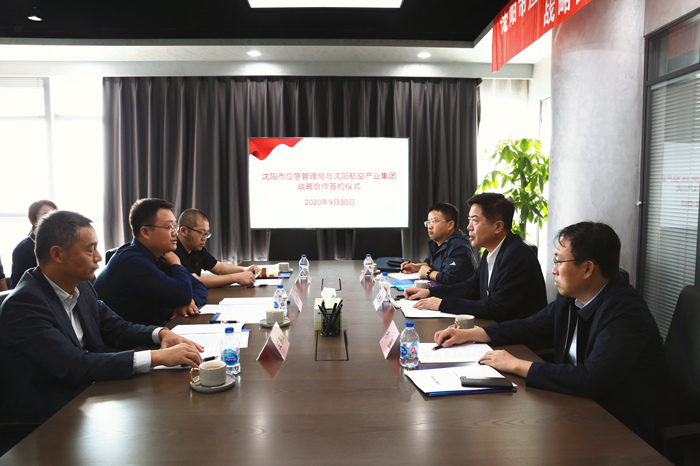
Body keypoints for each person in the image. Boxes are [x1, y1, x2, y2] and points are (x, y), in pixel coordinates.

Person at [433, 222, 675, 448]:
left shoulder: (625, 312)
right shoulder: (571, 298)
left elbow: (592, 378)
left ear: (588, 268)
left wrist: (515, 364)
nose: (553, 270)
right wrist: (473, 334)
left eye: (559, 262)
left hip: (623, 427)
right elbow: (530, 325)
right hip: (577, 407)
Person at [0, 210, 204, 427]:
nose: (98, 257)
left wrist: (161, 334)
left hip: (89, 396)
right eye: (90, 250)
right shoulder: (24, 304)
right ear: (57, 254)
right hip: (46, 422)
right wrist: (157, 357)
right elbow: (74, 365)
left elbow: (115, 327)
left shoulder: (81, 286)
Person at [405, 193, 546, 322]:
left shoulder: (516, 256)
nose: (469, 227)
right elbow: (471, 287)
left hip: (518, 338)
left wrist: (443, 304)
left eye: (475, 221)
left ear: (498, 226)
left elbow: (496, 308)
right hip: (495, 327)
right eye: (469, 220)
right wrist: (429, 292)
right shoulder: (490, 251)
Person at [94, 198, 208, 326]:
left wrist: (191, 302)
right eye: (169, 227)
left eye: (174, 226)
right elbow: (184, 294)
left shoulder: (159, 255)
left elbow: (199, 286)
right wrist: (176, 263)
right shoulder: (132, 261)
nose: (175, 233)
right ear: (146, 232)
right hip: (124, 335)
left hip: (149, 327)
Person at [175, 208, 261, 288]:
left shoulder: (195, 247)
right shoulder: (174, 250)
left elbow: (219, 267)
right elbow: (195, 281)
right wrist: (236, 278)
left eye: (206, 234)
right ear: (183, 231)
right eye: (201, 233)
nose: (204, 238)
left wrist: (245, 269)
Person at [400, 202, 477, 285]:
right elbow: (433, 263)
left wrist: (428, 273)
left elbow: (450, 278)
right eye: (428, 222)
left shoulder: (459, 245)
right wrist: (415, 267)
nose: (429, 226)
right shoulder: (440, 242)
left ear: (450, 225)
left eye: (434, 221)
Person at [11, 199, 57, 288]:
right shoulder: (23, 248)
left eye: (54, 215)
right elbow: (20, 285)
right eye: (46, 215)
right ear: (34, 221)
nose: (52, 219)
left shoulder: (60, 244)